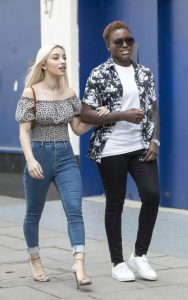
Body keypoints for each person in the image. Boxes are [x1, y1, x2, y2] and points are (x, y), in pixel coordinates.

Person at [15, 44, 109, 288]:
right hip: (39, 155)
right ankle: (35, 258)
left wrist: (97, 119)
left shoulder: (70, 94)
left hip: (66, 156)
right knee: (34, 213)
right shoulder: (30, 93)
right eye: (56, 57)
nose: (63, 61)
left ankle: (79, 263)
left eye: (64, 57)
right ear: (44, 64)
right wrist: (30, 159)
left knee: (74, 209)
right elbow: (24, 132)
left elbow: (77, 129)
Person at [81, 21, 160, 282]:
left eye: (129, 40)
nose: (125, 45)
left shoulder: (145, 73)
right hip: (112, 148)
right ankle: (117, 262)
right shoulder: (99, 73)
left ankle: (139, 255)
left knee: (151, 195)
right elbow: (85, 114)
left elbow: (153, 110)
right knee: (115, 204)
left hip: (140, 147)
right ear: (109, 46)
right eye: (119, 42)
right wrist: (122, 115)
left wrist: (155, 140)